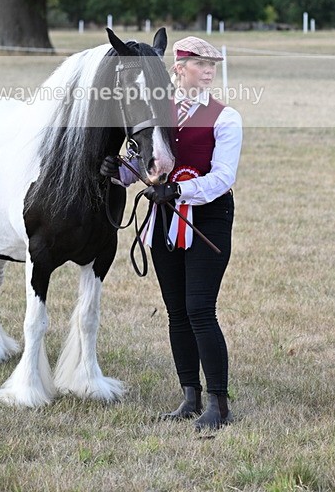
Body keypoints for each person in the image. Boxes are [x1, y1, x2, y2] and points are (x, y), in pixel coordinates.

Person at [100, 36, 243, 432]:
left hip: (208, 218)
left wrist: (179, 190)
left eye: (213, 63)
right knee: (176, 312)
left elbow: (223, 177)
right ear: (179, 69)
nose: (210, 69)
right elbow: (146, 166)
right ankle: (189, 396)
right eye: (200, 63)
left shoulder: (225, 117)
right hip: (164, 217)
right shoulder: (156, 114)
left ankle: (219, 402)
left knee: (200, 308)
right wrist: (120, 171)